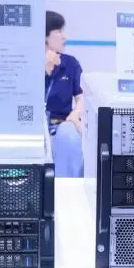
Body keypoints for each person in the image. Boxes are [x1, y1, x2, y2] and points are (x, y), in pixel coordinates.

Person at [44, 10, 85, 177]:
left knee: (69, 133)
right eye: (59, 31)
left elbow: (81, 97)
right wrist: (45, 68)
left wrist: (75, 114)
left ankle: (68, 187)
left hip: (62, 124)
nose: (64, 37)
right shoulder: (28, 63)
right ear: (45, 36)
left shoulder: (70, 64)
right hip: (36, 127)